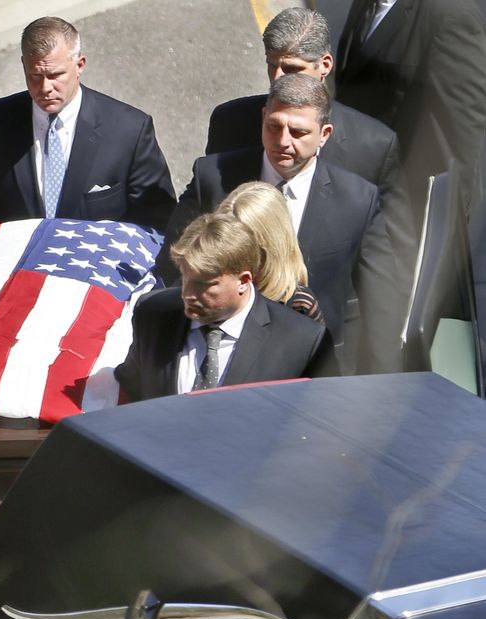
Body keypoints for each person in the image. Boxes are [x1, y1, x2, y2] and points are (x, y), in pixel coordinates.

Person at [161, 74, 400, 375]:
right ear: (263, 117)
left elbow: (381, 299)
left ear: (324, 134)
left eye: (298, 132)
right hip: (215, 351)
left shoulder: (357, 200)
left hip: (310, 365)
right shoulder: (213, 179)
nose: (283, 141)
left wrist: (383, 381)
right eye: (274, 126)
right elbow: (172, 265)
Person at [206, 7, 414, 269]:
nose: (277, 79)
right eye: (272, 66)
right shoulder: (230, 124)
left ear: (324, 65)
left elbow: (394, 254)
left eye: (291, 68)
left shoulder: (373, 147)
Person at [0, 16, 176, 240]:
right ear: (24, 66)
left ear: (79, 65)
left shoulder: (129, 130)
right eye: (35, 76)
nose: (45, 87)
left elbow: (157, 220)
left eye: (55, 75)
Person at [114, 211, 333, 402]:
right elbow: (132, 390)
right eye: (185, 278)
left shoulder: (302, 342)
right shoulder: (152, 314)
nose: (187, 294)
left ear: (243, 281)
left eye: (203, 284)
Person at [335, 0, 486, 216]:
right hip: (355, 191)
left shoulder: (452, 14)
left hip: (405, 206)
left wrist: (440, 219)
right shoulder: (365, 4)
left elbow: (458, 135)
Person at [217, 181, 323, 324]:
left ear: (269, 246)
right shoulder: (207, 290)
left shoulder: (299, 306)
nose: (232, 254)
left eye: (243, 247)